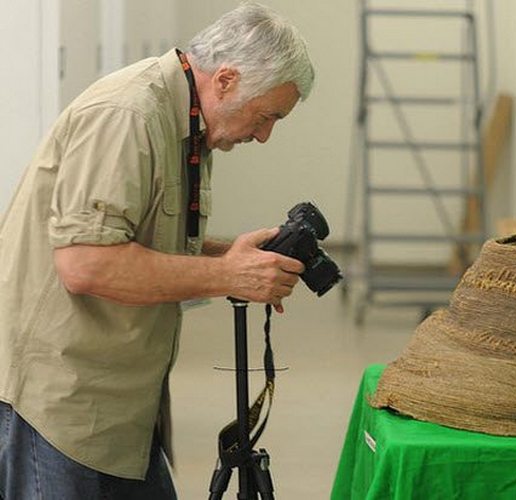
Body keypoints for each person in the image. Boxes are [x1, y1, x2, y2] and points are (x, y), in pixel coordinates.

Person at [0, 2, 314, 498]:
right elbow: (86, 263)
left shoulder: (188, 122)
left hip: (122, 403)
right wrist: (228, 276)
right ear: (227, 80)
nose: (264, 134)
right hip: (61, 405)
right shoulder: (128, 115)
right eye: (266, 115)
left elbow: (143, 241)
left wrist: (230, 256)